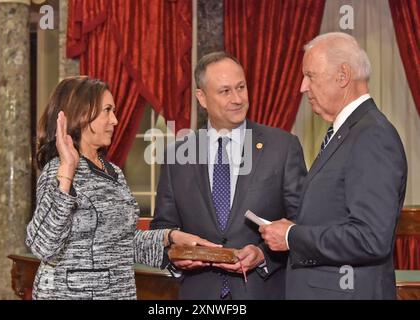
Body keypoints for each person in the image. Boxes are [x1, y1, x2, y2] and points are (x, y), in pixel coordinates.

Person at [25, 76, 217, 300]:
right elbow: (43, 246)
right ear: (82, 112)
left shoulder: (112, 171)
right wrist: (67, 168)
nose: (115, 120)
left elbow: (121, 243)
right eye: (107, 110)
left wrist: (169, 238)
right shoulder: (58, 170)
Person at [259, 32, 408, 299]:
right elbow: (334, 215)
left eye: (310, 76)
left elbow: (370, 237)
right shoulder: (349, 132)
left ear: (343, 76)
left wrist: (292, 236)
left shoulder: (372, 135)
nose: (302, 87)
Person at [150, 52, 307, 299]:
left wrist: (263, 254)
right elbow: (162, 227)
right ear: (201, 98)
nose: (237, 99)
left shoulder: (283, 147)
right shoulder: (177, 156)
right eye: (225, 91)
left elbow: (302, 222)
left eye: (241, 87)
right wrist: (174, 254)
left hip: (263, 290)